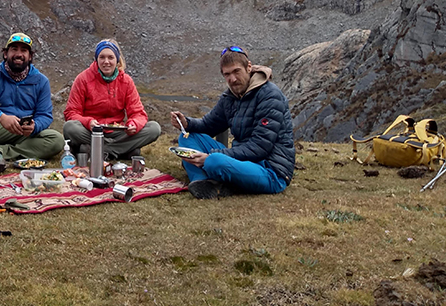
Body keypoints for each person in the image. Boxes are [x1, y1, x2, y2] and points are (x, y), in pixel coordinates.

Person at [170, 45, 295, 200]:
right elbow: (209, 125)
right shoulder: (231, 97)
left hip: (271, 171)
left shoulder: (270, 96)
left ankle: (214, 175)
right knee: (187, 138)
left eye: (237, 71)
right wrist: (187, 123)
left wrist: (212, 155)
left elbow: (260, 147)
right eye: (227, 74)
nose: (233, 79)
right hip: (242, 161)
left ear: (249, 67)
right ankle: (202, 182)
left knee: (214, 161)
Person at [0, 32, 64, 175]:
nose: (19, 54)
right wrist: (1, 117)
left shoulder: (41, 81)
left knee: (56, 140)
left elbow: (45, 115)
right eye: (14, 49)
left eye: (24, 50)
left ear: (30, 56)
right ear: (5, 54)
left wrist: (35, 126)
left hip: (21, 131)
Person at [63, 39, 161, 159]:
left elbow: (138, 113)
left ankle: (100, 150)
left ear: (117, 60)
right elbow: (71, 113)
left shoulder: (126, 81)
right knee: (70, 127)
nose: (106, 62)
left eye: (111, 57)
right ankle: (124, 150)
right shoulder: (83, 79)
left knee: (154, 128)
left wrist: (133, 124)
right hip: (92, 131)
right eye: (102, 57)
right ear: (96, 59)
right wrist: (88, 122)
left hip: (117, 132)